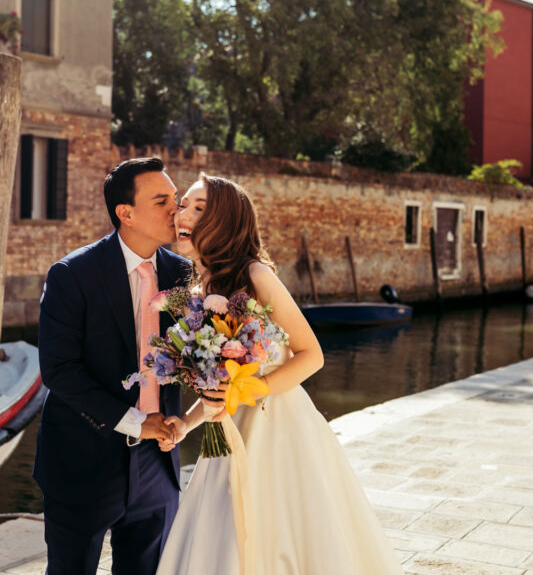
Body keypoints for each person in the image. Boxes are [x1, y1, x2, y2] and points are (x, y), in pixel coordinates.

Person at [156, 174, 402, 575]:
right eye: (184, 204)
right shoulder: (197, 291)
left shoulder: (257, 276)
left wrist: (255, 388)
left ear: (225, 221)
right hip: (228, 435)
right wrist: (186, 422)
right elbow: (220, 383)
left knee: (282, 533)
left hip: (279, 430)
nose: (183, 213)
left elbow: (312, 355)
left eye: (199, 207)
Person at [34, 157, 192, 575]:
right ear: (126, 213)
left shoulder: (184, 274)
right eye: (162, 201)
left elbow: (200, 356)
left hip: (159, 463)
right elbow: (59, 369)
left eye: (176, 199)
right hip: (82, 461)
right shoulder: (72, 274)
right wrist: (133, 421)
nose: (174, 210)